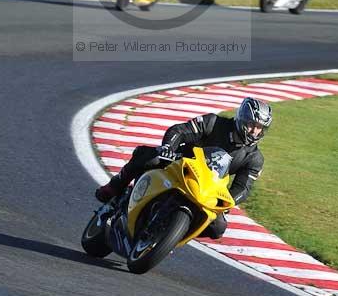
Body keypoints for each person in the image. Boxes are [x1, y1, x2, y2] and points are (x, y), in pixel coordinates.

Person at [95, 97, 272, 239]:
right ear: (241, 118)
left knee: (218, 228)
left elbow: (244, 188)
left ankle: (173, 234)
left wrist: (228, 202)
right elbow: (179, 130)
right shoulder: (213, 122)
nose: (254, 131)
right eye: (251, 124)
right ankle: (115, 186)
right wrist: (168, 149)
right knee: (149, 156)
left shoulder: (255, 159)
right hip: (180, 163)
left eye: (259, 128)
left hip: (208, 188)